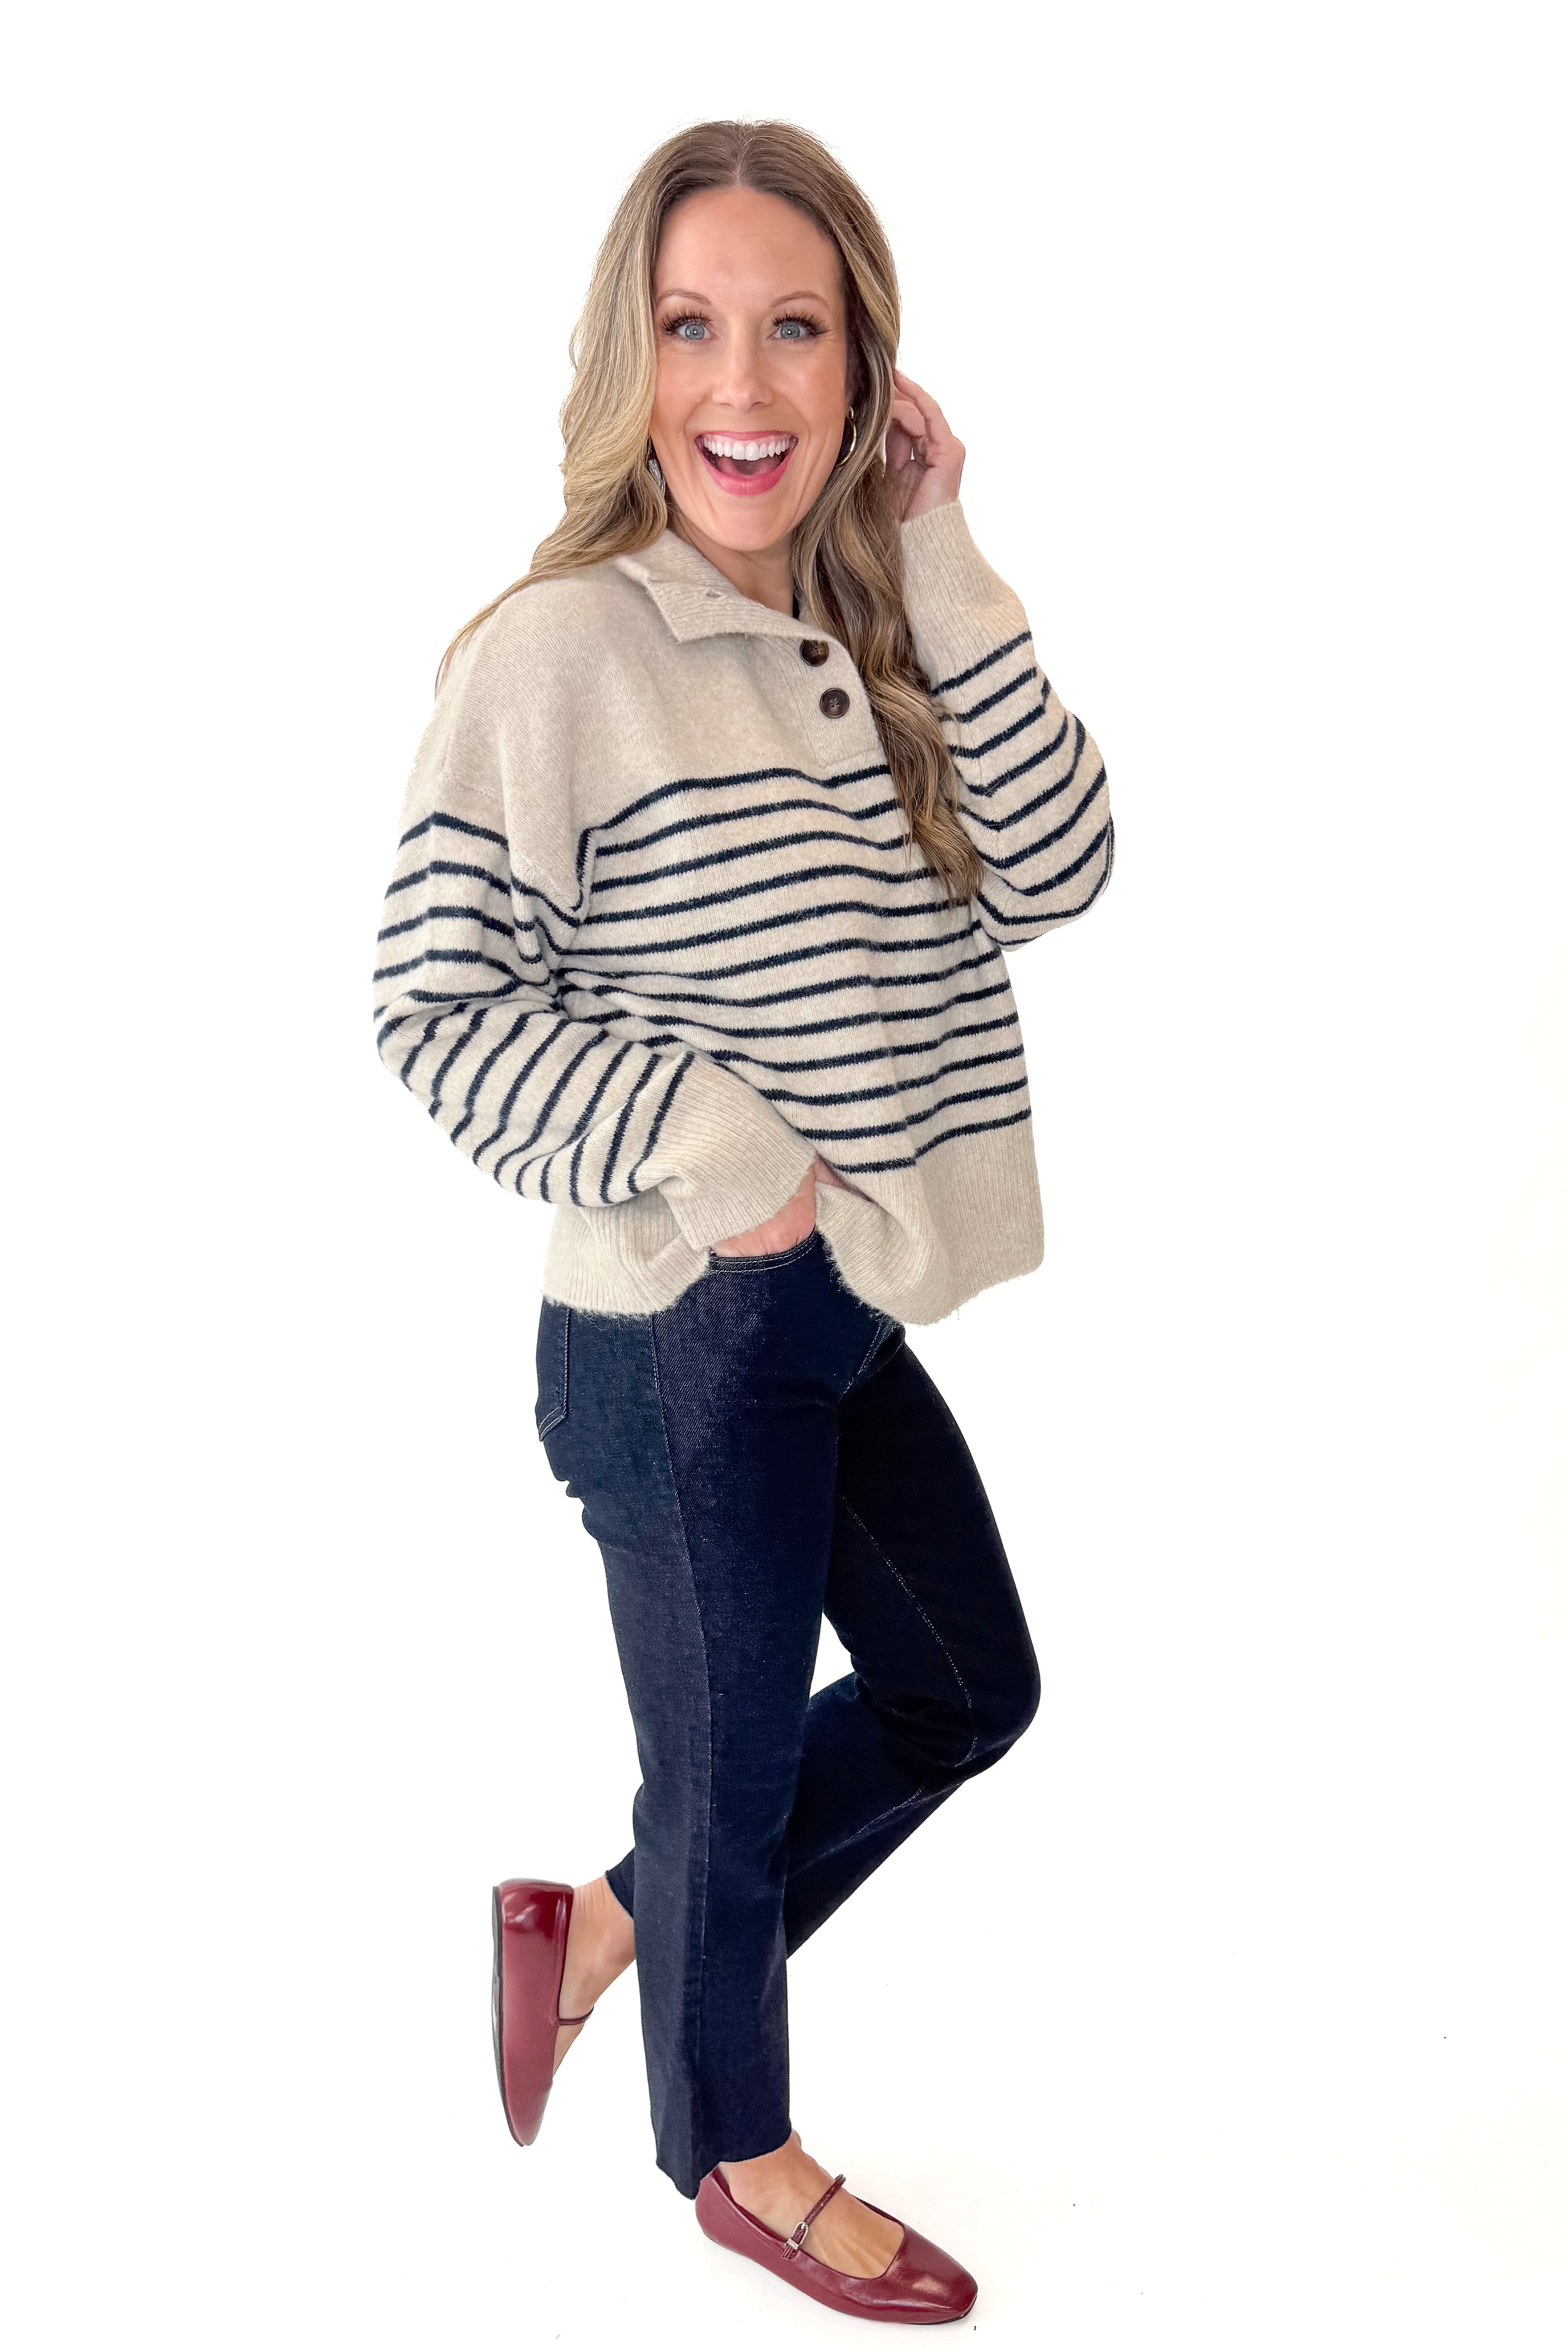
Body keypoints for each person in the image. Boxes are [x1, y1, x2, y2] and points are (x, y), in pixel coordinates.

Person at [373, 118, 1112, 2324]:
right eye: (692, 327)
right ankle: (740, 2153)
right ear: (633, 359)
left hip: (842, 1309)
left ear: (862, 368)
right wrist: (721, 1155)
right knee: (722, 1771)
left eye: (795, 327)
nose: (744, 383)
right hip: (676, 1330)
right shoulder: (559, 652)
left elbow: (1063, 868)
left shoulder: (875, 636)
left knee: (966, 1684)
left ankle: (602, 1928)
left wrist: (946, 546)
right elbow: (433, 1007)